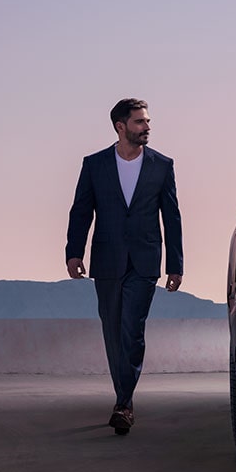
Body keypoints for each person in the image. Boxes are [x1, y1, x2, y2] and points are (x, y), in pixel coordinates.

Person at [66, 98, 183, 435]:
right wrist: (74, 253)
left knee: (132, 329)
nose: (147, 127)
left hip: (145, 262)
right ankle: (124, 397)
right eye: (139, 122)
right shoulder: (95, 165)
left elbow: (171, 218)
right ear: (120, 126)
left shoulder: (162, 165)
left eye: (147, 121)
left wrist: (175, 265)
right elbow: (81, 210)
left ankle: (124, 403)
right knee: (112, 330)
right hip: (106, 259)